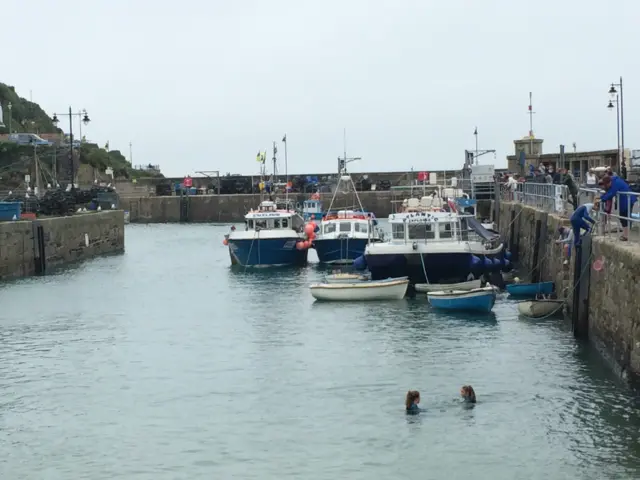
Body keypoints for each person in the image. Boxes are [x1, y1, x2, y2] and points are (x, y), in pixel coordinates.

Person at [601, 175, 637, 242]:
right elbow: (610, 192)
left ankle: (626, 236)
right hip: (627, 199)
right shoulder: (615, 181)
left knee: (624, 217)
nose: (607, 187)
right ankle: (625, 234)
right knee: (624, 217)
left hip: (627, 200)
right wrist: (602, 197)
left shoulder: (615, 184)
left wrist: (601, 199)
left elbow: (611, 193)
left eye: (606, 185)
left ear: (609, 183)